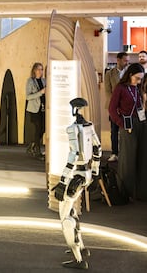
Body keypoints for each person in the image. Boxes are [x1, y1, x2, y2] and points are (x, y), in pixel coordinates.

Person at [52, 97, 102, 269]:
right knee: (71, 209)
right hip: (86, 174)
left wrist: (62, 181)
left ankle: (78, 258)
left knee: (65, 216)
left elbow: (73, 156)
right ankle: (81, 246)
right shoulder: (89, 127)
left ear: (74, 109)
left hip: (77, 174)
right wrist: (95, 172)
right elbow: (98, 148)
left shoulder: (73, 129)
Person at [109, 63, 146, 201]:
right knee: (128, 160)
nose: (139, 81)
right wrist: (121, 124)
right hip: (127, 125)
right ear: (130, 75)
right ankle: (125, 192)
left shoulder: (137, 88)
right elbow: (112, 110)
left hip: (141, 124)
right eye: (137, 78)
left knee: (141, 158)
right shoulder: (120, 88)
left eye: (141, 79)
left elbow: (139, 107)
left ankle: (140, 192)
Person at [104, 52, 129, 162]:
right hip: (114, 107)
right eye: (125, 60)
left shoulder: (129, 73)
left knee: (126, 130)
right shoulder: (109, 73)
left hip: (127, 107)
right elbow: (108, 91)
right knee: (114, 131)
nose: (127, 62)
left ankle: (125, 153)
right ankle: (114, 153)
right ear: (118, 60)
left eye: (128, 60)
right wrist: (115, 105)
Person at [25, 62, 45, 160]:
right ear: (34, 70)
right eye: (39, 69)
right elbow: (28, 97)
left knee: (43, 129)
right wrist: (40, 93)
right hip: (34, 110)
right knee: (38, 129)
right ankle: (38, 152)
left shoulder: (44, 81)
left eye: (42, 69)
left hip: (43, 109)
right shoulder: (30, 81)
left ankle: (32, 145)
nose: (40, 71)